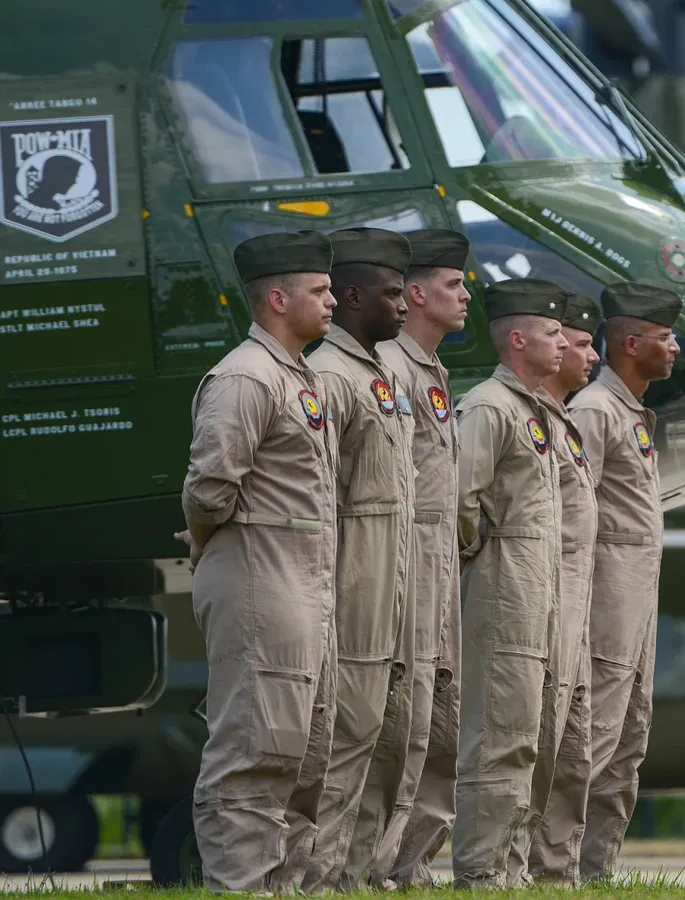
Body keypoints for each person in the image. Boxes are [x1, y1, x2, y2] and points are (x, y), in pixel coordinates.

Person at [176, 230, 340, 893]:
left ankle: (281, 886)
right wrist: (205, 540)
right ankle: (241, 885)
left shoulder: (294, 376)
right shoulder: (245, 376)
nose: (333, 301)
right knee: (254, 749)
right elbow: (209, 487)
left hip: (301, 582)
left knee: (303, 753)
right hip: (258, 577)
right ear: (277, 298)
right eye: (320, 291)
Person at [298, 227, 418, 893]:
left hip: (392, 581)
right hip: (353, 583)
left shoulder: (382, 377)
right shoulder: (330, 377)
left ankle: (355, 874)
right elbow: (315, 495)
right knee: (345, 739)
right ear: (350, 296)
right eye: (391, 293)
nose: (403, 305)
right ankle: (320, 878)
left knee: (385, 739)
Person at [451, 277, 569, 889]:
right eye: (552, 332)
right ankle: (479, 871)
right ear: (518, 338)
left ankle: (510, 869)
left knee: (530, 736)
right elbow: (458, 498)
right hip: (505, 583)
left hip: (537, 584)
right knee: (499, 735)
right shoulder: (490, 408)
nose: (563, 342)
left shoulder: (534, 409)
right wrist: (481, 552)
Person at [369, 229, 472, 888]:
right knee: (397, 720)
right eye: (453, 285)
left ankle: (412, 866)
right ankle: (370, 865)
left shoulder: (432, 372)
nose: (466, 296)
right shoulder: (388, 368)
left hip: (439, 562)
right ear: (414, 294)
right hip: (401, 557)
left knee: (441, 723)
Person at [567, 281, 680, 882]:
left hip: (635, 595)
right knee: (594, 734)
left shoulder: (630, 413)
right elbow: (570, 509)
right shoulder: (593, 411)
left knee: (627, 741)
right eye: (665, 339)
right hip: (605, 595)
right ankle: (546, 869)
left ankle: (593, 873)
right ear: (631, 343)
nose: (676, 349)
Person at [527, 292, 604, 885]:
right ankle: (503, 872)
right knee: (529, 746)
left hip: (573, 605)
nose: (587, 355)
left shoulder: (568, 422)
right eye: (576, 342)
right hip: (536, 602)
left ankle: (557, 875)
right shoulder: (516, 414)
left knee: (571, 752)